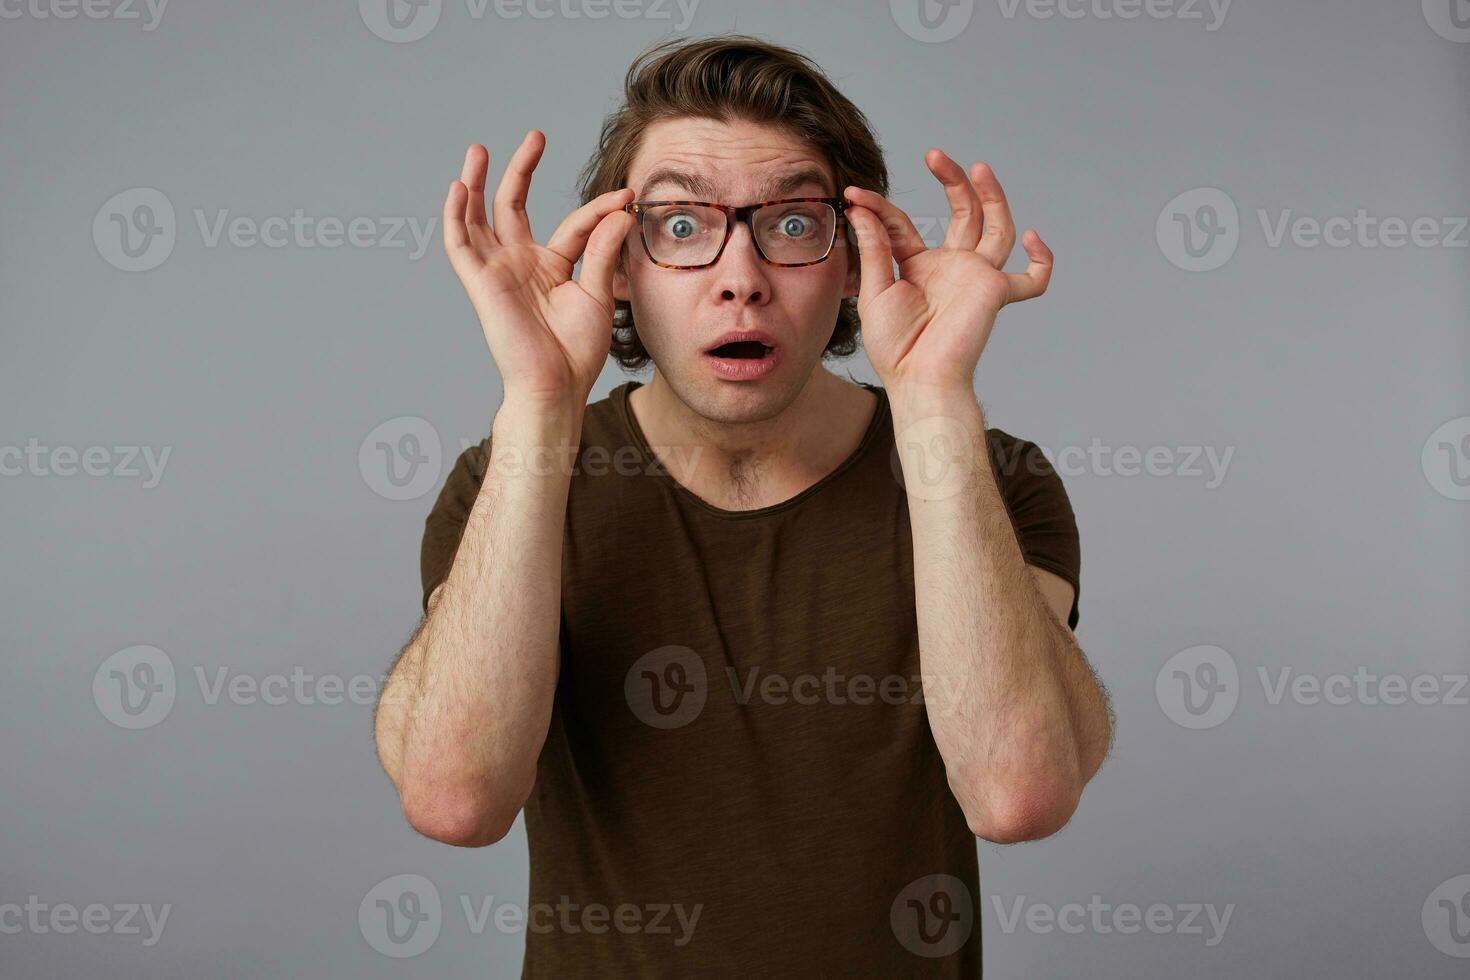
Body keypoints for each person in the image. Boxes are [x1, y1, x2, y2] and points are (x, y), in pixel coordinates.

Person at [373, 33, 1113, 977]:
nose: (740, 277)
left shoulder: (992, 474)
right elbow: (455, 801)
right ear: (621, 270)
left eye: (794, 224)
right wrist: (539, 404)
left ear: (855, 261)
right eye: (680, 227)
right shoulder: (511, 476)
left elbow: (1020, 797)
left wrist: (933, 400)